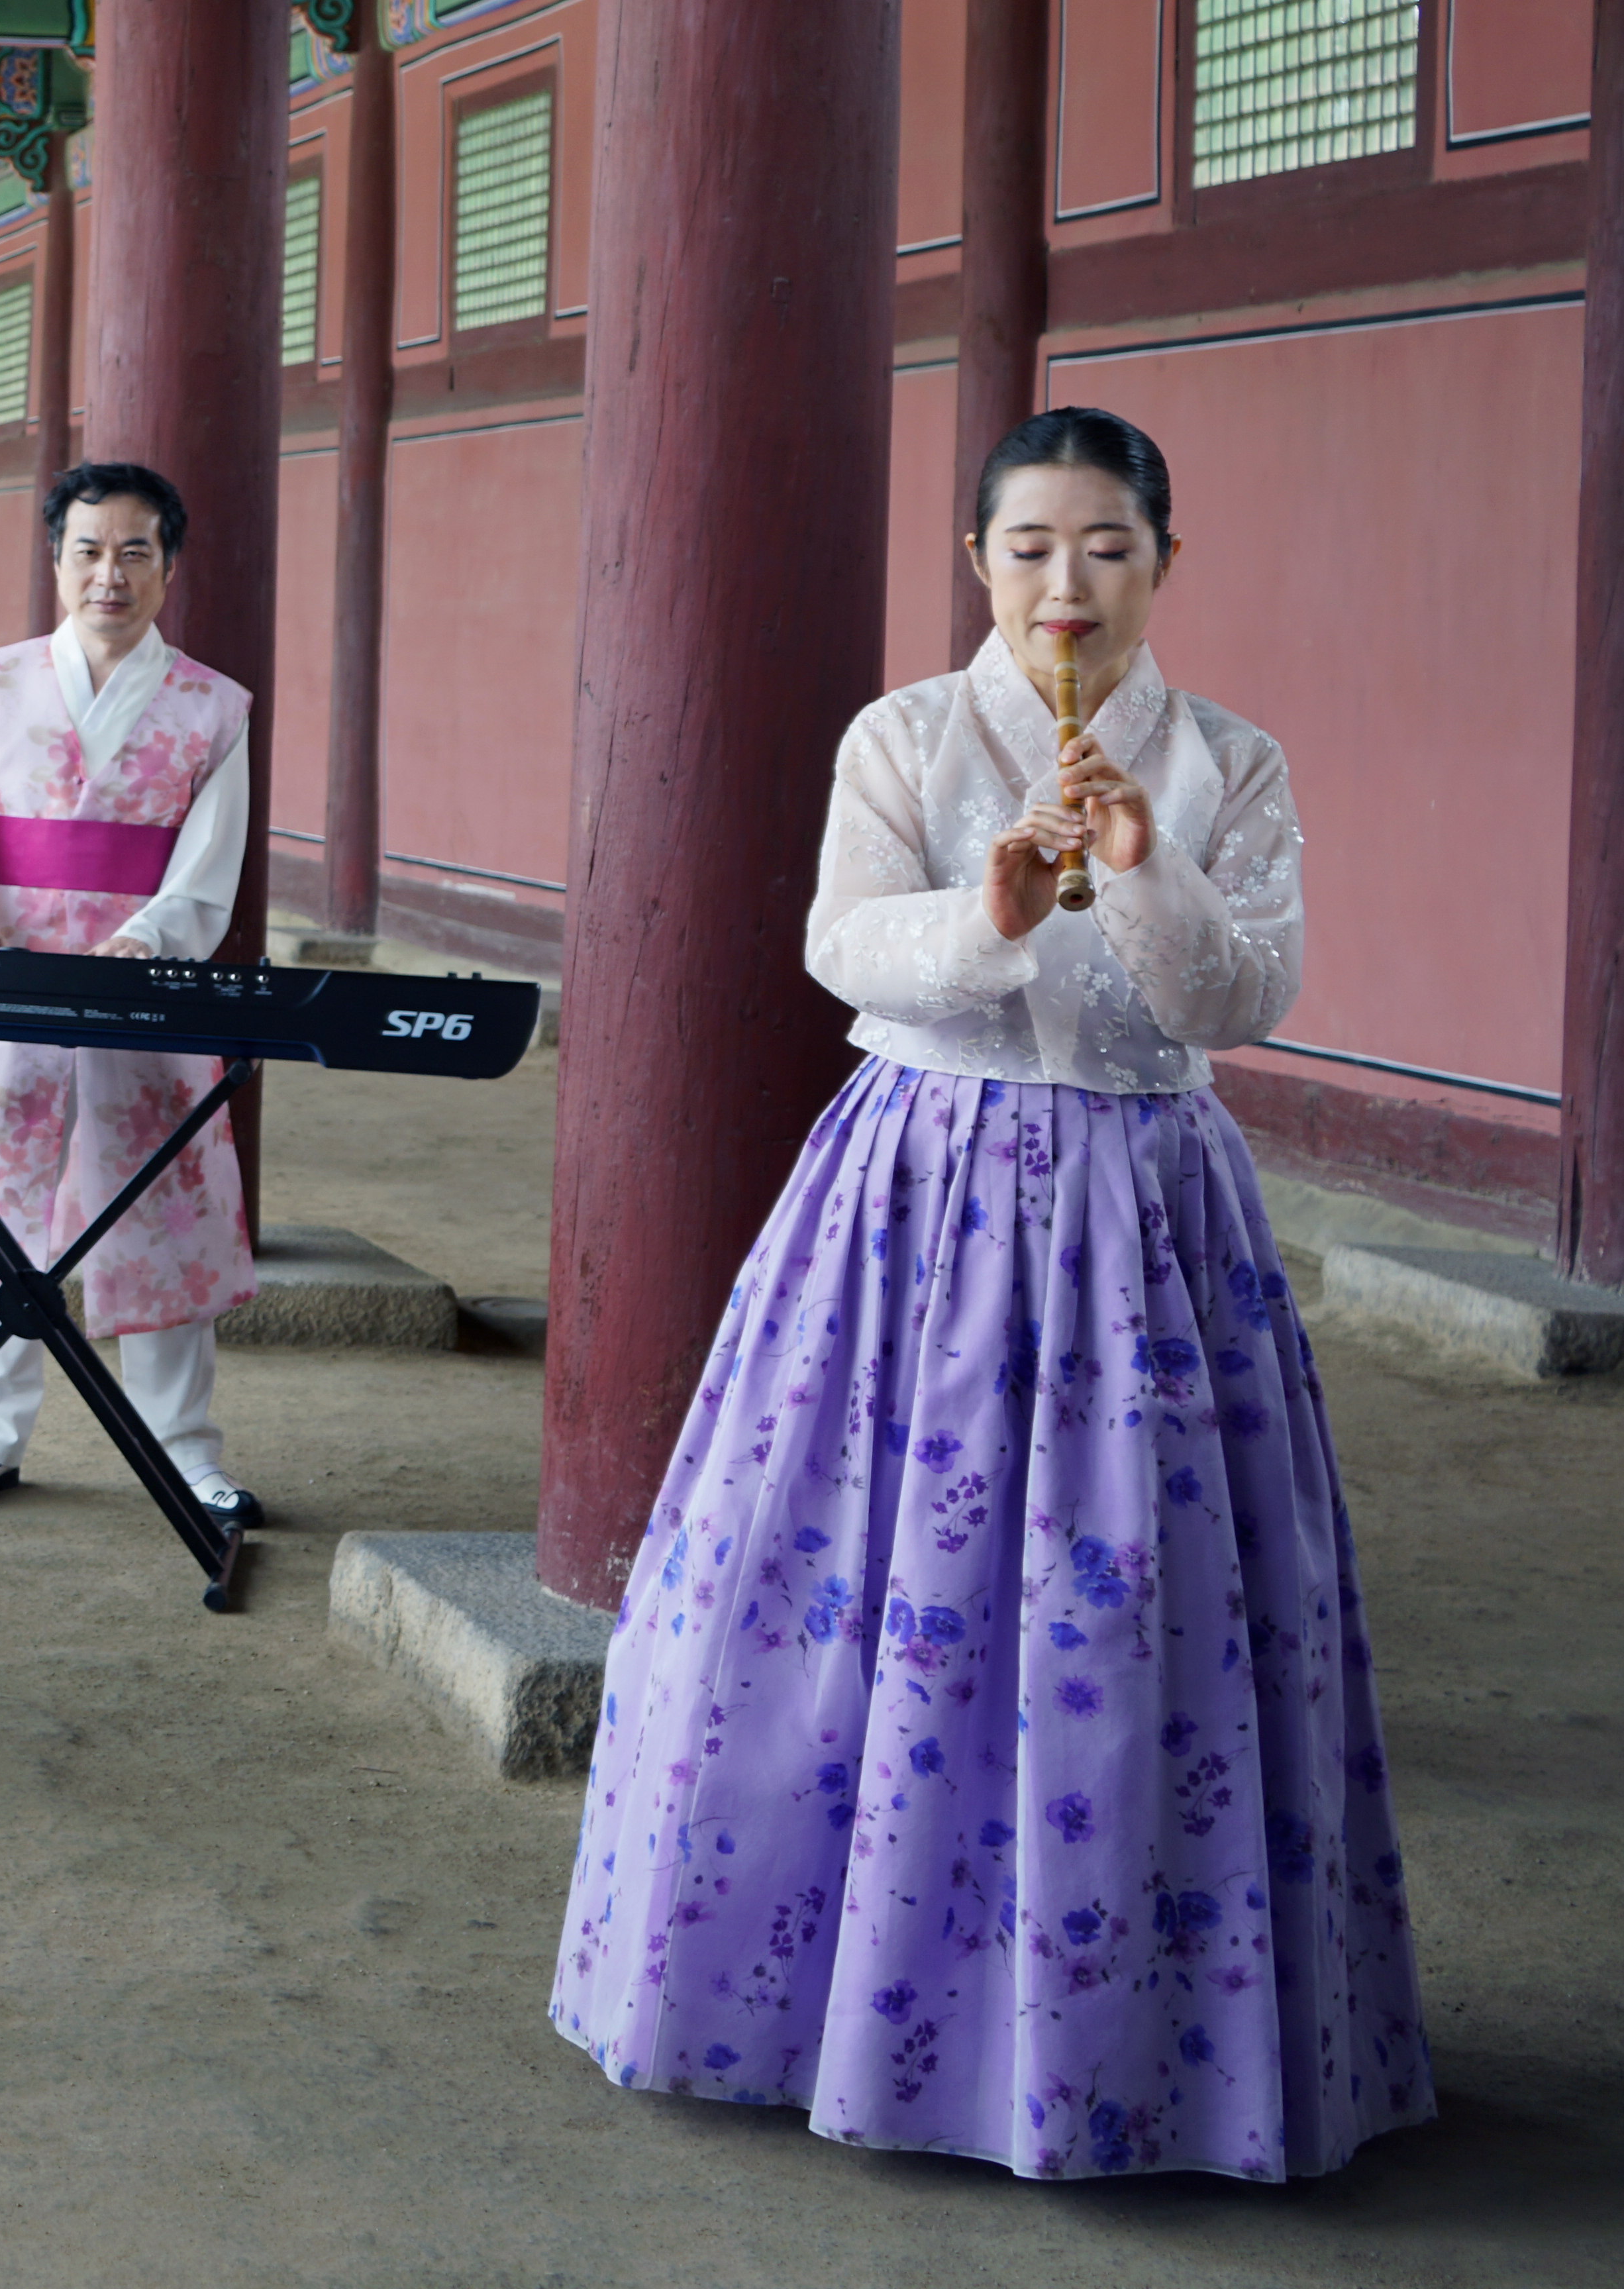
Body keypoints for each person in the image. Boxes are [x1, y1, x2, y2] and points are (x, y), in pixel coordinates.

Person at [546, 409, 1430, 2180]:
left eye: (1106, 545)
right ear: (977, 563)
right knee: (855, 1589)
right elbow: (837, 943)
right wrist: (995, 905)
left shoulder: (1229, 764)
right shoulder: (903, 738)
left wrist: (1138, 864)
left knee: (1130, 1617)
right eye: (1027, 546)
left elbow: (1238, 996)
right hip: (912, 1205)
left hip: (1148, 1220)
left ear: (1166, 560)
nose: (1064, 584)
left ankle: (1123, 2041)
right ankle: (824, 2007)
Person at [0, 463, 262, 1533]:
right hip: (2, 986)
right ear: (56, 561)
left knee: (160, 1218)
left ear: (169, 565)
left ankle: (185, 1452)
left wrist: (145, 939)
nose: (110, 573)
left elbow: (207, 869)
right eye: (89, 549)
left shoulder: (212, 707)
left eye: (135, 550)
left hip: (142, 995)